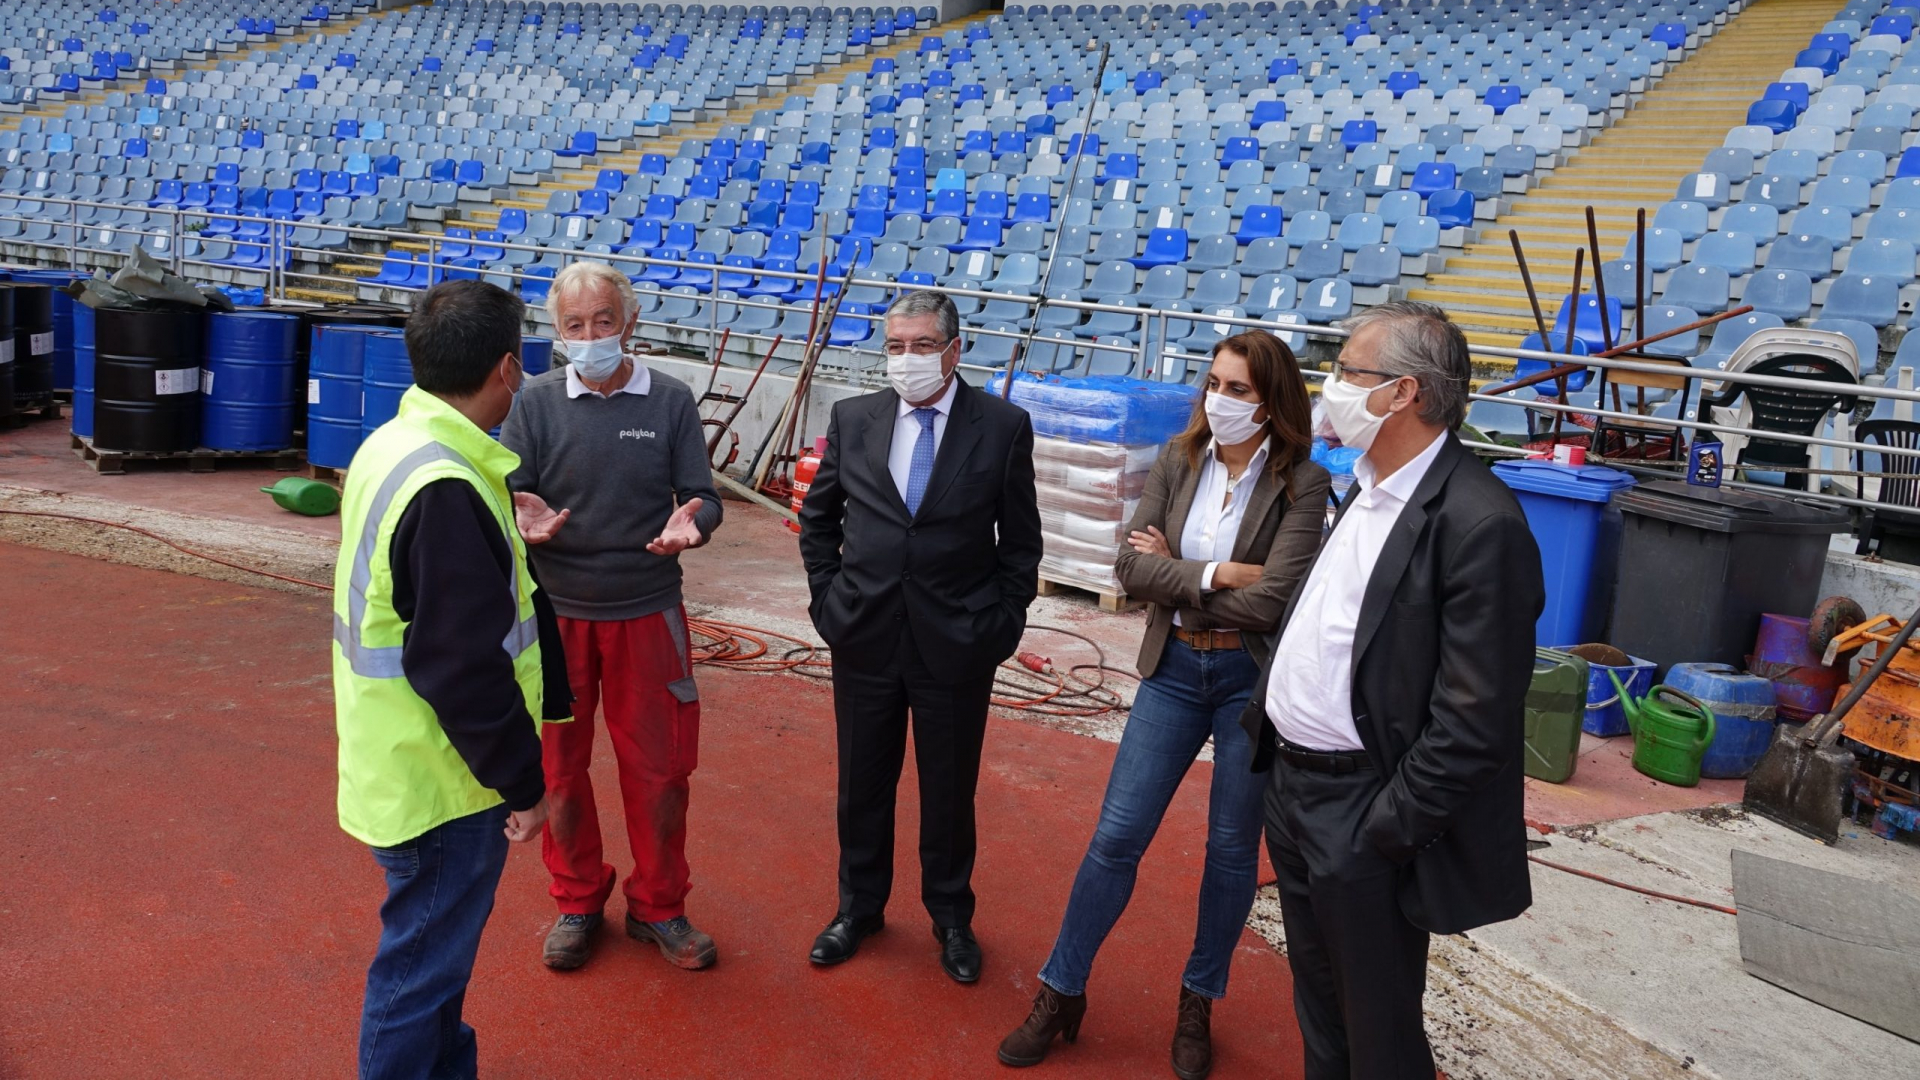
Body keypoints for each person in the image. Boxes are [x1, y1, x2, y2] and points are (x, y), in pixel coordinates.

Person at [999, 333, 1332, 1079]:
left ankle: (1198, 999)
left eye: (1239, 390)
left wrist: (1176, 569)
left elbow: (1279, 597)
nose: (1220, 399)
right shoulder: (1181, 460)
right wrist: (1218, 572)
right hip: (1174, 669)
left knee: (1229, 852)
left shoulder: (1303, 482)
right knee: (1116, 837)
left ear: (1273, 401)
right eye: (1214, 382)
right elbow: (1127, 568)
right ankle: (1061, 990)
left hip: (1248, 682)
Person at [1243, 301, 1545, 1079]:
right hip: (1295, 790)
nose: (1332, 386)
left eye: (1347, 371)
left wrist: (1382, 829)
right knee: (1323, 1015)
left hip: (1362, 813)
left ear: (1403, 392)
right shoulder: (1369, 486)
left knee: (1379, 1035)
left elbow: (1474, 719)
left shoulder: (1480, 523)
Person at [332, 279, 572, 1080]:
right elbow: (461, 664)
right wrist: (523, 783)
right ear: (507, 369)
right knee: (419, 976)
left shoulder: (398, 446)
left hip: (402, 763)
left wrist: (502, 513)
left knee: (435, 968)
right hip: (444, 784)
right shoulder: (446, 485)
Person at [797, 289, 1043, 983]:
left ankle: (951, 917)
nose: (906, 360)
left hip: (956, 644)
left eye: (921, 346)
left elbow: (1021, 546)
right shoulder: (855, 417)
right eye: (895, 347)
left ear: (954, 350)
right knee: (862, 784)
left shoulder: (1001, 427)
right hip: (865, 637)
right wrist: (827, 600)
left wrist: (997, 626)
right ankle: (859, 907)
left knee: (948, 790)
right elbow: (818, 521)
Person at [500, 260, 725, 972]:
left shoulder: (669, 399)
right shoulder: (533, 403)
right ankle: (576, 899)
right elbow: (511, 491)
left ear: (629, 322)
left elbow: (701, 494)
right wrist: (517, 513)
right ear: (557, 331)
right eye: (575, 325)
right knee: (559, 768)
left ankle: (659, 907)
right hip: (558, 617)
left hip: (647, 611)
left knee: (660, 771)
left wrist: (696, 523)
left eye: (603, 322)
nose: (591, 336)